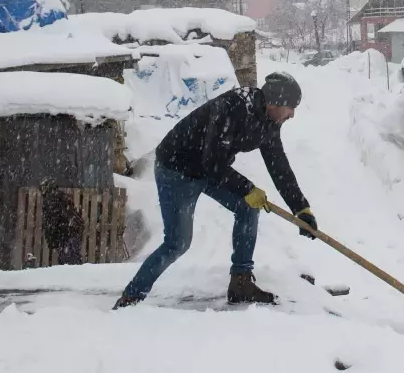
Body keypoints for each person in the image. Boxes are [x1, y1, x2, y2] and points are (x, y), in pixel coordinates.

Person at [113, 72, 316, 309]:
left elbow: (278, 166)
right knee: (177, 242)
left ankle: (241, 282)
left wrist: (301, 208)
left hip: (208, 168)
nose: (292, 115)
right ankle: (131, 298)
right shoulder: (232, 107)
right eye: (291, 107)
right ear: (276, 102)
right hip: (177, 169)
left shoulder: (269, 123)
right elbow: (214, 162)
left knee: (248, 208)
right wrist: (248, 188)